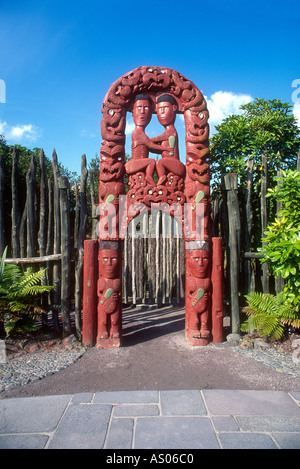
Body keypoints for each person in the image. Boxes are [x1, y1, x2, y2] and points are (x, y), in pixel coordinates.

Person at [125, 94, 167, 186]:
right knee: (151, 161)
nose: (143, 111)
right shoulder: (137, 133)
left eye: (146, 107)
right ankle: (149, 178)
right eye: (139, 107)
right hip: (132, 165)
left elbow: (150, 144)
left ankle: (150, 182)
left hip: (137, 165)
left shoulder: (142, 134)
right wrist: (165, 149)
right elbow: (151, 145)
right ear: (133, 112)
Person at [151, 94, 186, 185]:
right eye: (159, 109)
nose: (162, 112)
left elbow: (154, 140)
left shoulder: (171, 131)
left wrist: (144, 140)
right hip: (170, 165)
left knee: (160, 162)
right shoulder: (168, 132)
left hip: (177, 166)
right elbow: (160, 149)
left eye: (165, 107)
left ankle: (162, 177)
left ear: (174, 108)